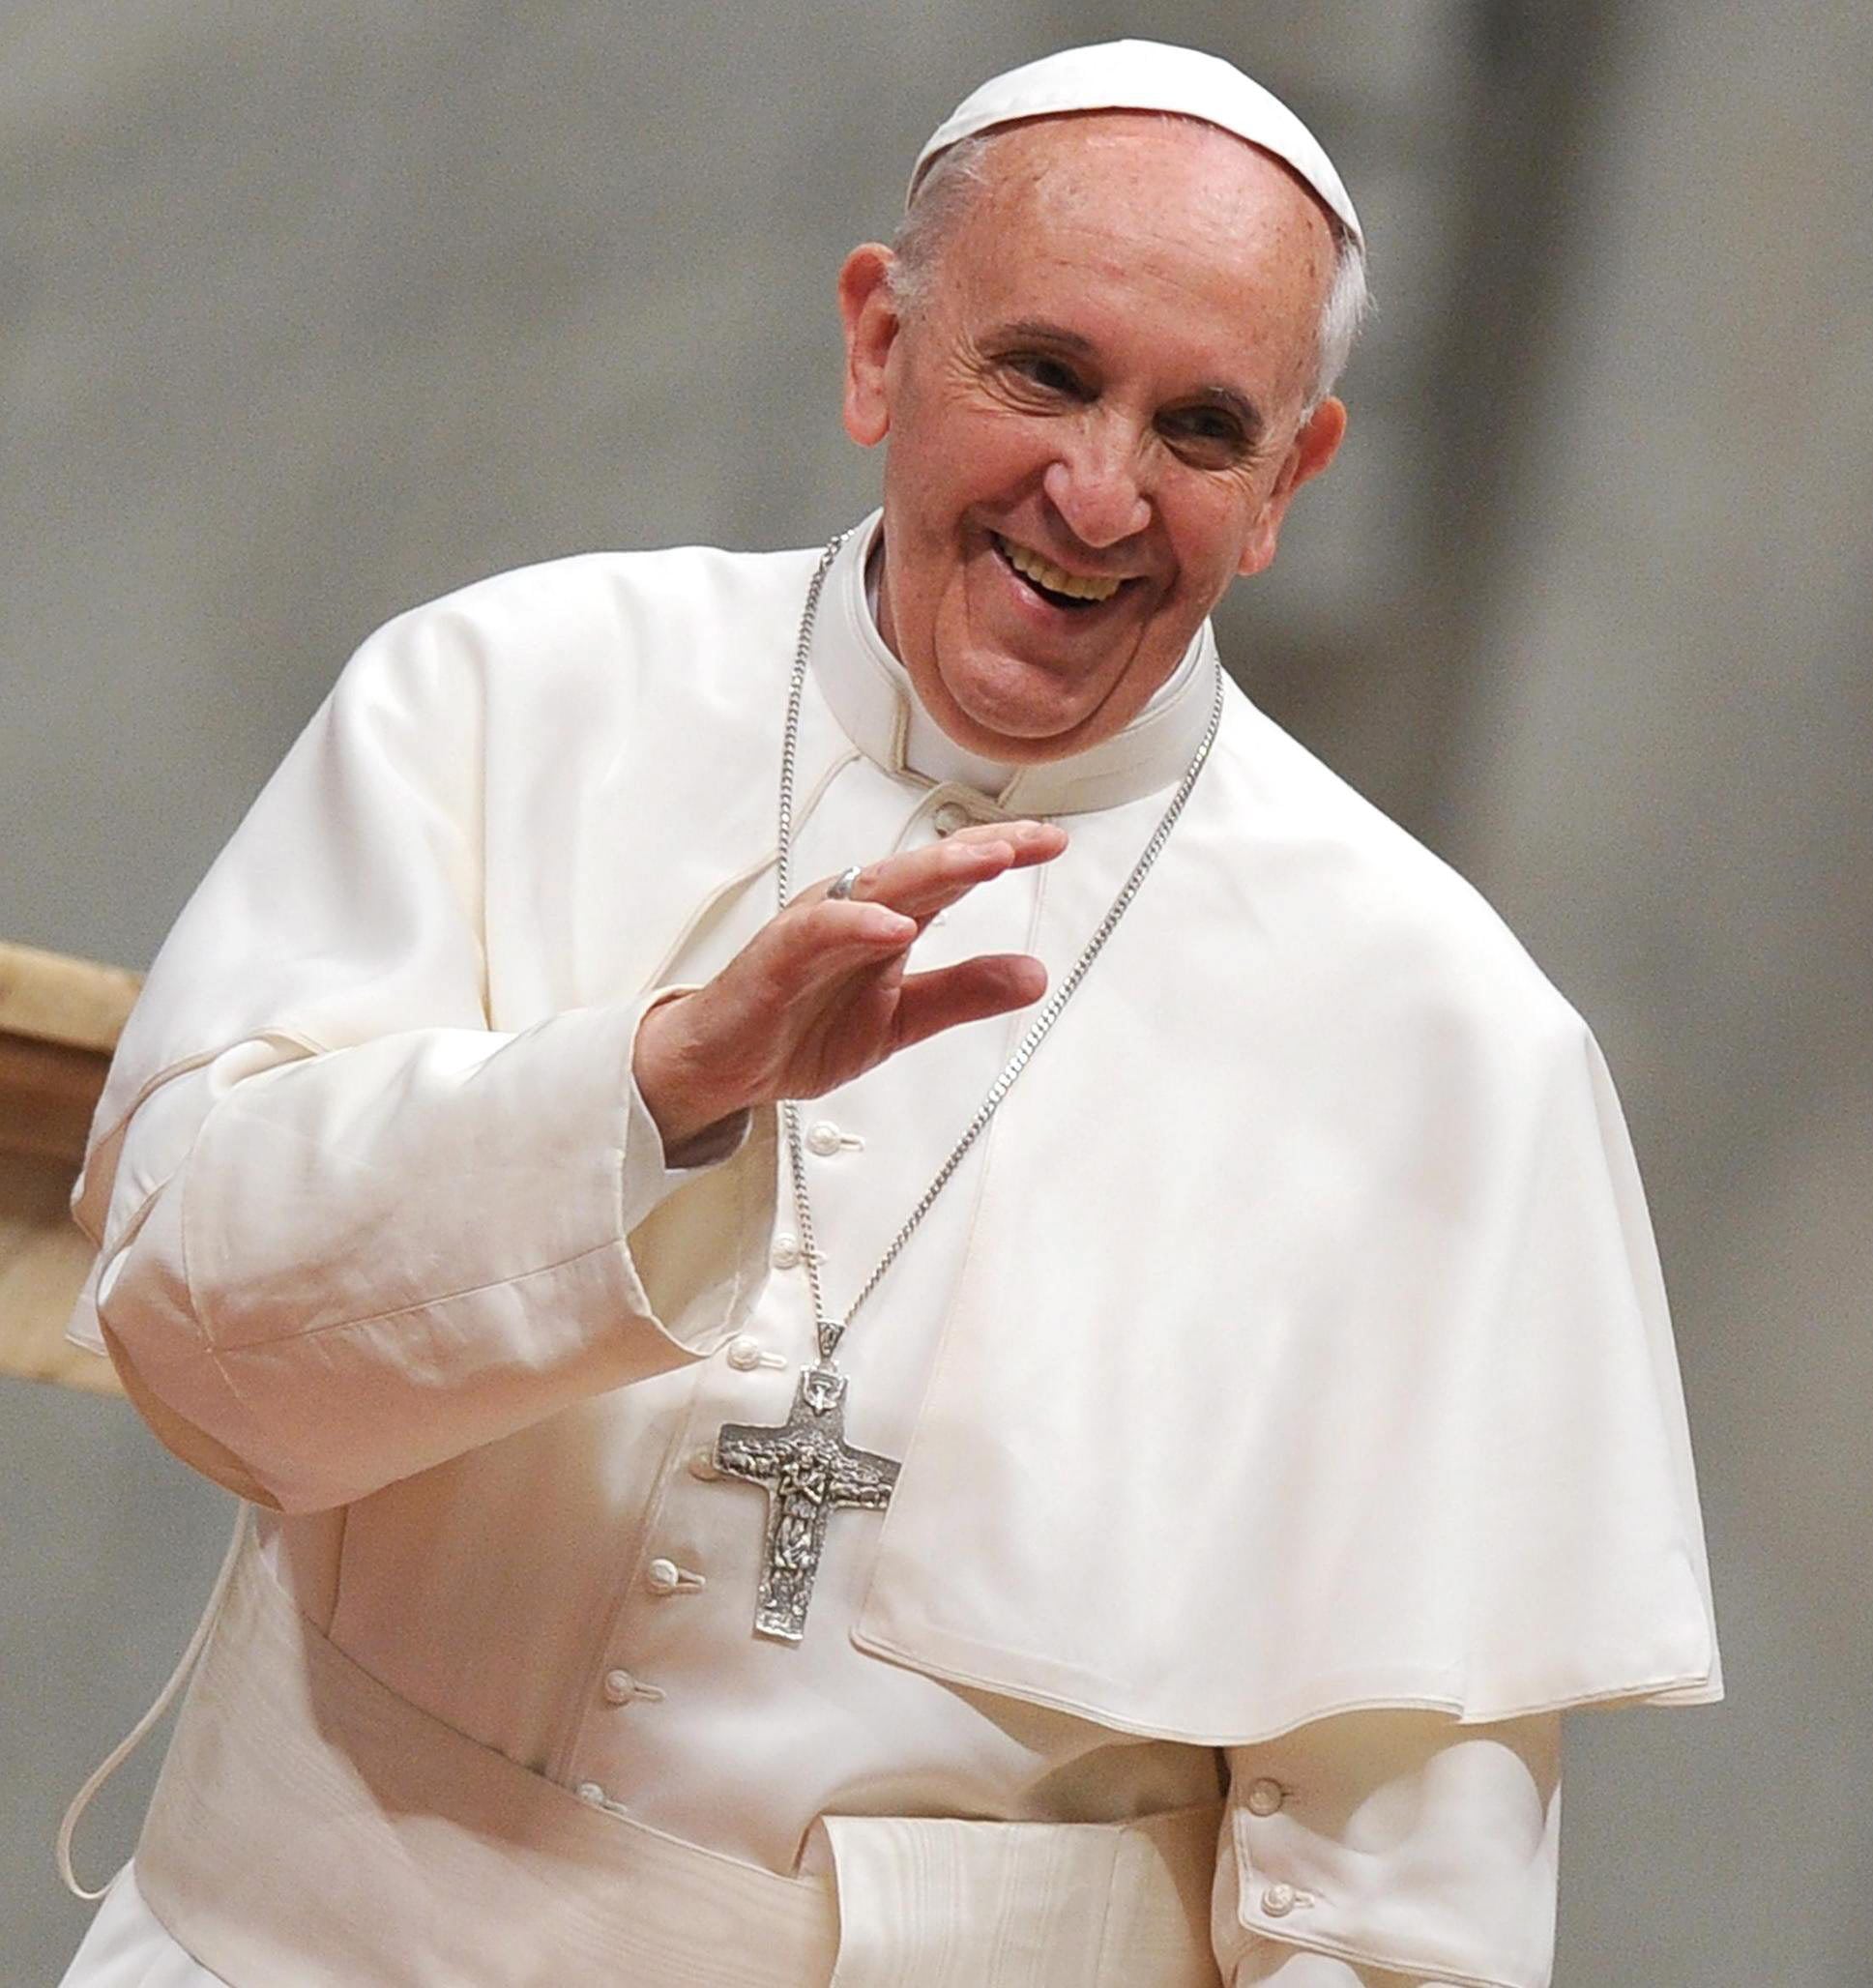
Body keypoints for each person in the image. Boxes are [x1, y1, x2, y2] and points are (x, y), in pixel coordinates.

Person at [54, 39, 1716, 1988]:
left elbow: (1401, 1910)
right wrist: (652, 1093)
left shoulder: (1449, 1051)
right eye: (1043, 372)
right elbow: (188, 1330)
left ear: (1289, 483)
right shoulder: (505, 699)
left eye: (1198, 426)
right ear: (877, 345)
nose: (1095, 495)